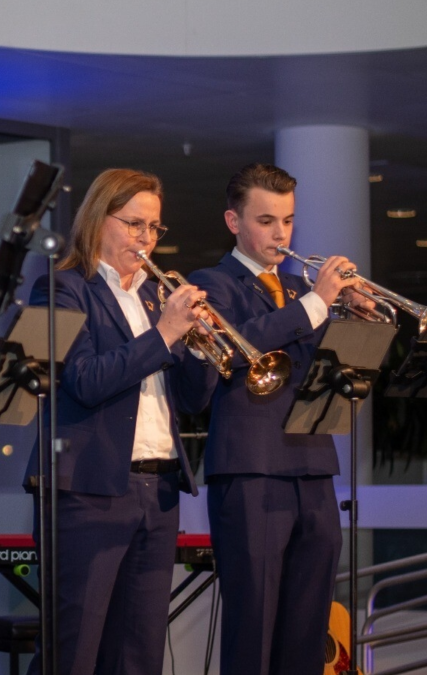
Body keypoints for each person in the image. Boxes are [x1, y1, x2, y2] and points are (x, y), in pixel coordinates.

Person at [22, 168, 216, 675]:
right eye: (134, 224)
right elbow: (83, 380)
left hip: (160, 488)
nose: (145, 239)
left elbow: (193, 401)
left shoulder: (156, 297)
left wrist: (200, 344)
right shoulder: (63, 288)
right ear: (97, 218)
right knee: (74, 649)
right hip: (89, 491)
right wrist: (167, 333)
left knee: (140, 653)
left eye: (154, 228)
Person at [187, 163, 373, 675]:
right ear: (233, 221)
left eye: (288, 221)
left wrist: (355, 320)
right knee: (253, 628)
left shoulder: (298, 289)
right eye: (266, 220)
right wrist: (318, 304)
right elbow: (239, 341)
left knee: (307, 633)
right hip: (251, 469)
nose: (281, 234)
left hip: (313, 465)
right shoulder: (211, 284)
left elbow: (333, 372)